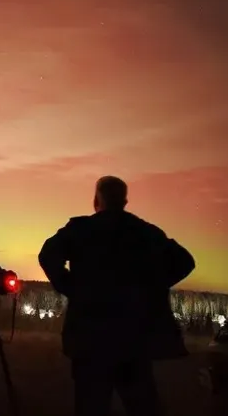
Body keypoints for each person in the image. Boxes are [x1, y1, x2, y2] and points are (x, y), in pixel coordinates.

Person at [38, 175, 196, 416]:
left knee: (91, 406)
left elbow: (48, 255)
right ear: (125, 201)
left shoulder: (81, 229)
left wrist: (73, 287)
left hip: (90, 338)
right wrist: (152, 287)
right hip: (133, 337)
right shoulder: (144, 232)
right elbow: (184, 261)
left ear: (96, 200)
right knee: (143, 406)